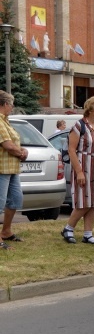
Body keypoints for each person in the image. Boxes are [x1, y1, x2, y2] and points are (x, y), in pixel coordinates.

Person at [61, 97, 94, 245]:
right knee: (83, 201)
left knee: (93, 202)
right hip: (83, 167)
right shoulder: (79, 126)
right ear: (90, 109)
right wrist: (78, 171)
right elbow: (71, 150)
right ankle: (68, 228)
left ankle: (88, 234)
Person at [0, 91, 28, 249]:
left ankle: (6, 231)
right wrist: (21, 153)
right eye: (11, 104)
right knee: (0, 203)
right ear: (4, 104)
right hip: (1, 168)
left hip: (12, 168)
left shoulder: (6, 121)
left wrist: (22, 150)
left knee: (15, 200)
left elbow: (14, 143)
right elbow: (8, 145)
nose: (12, 107)